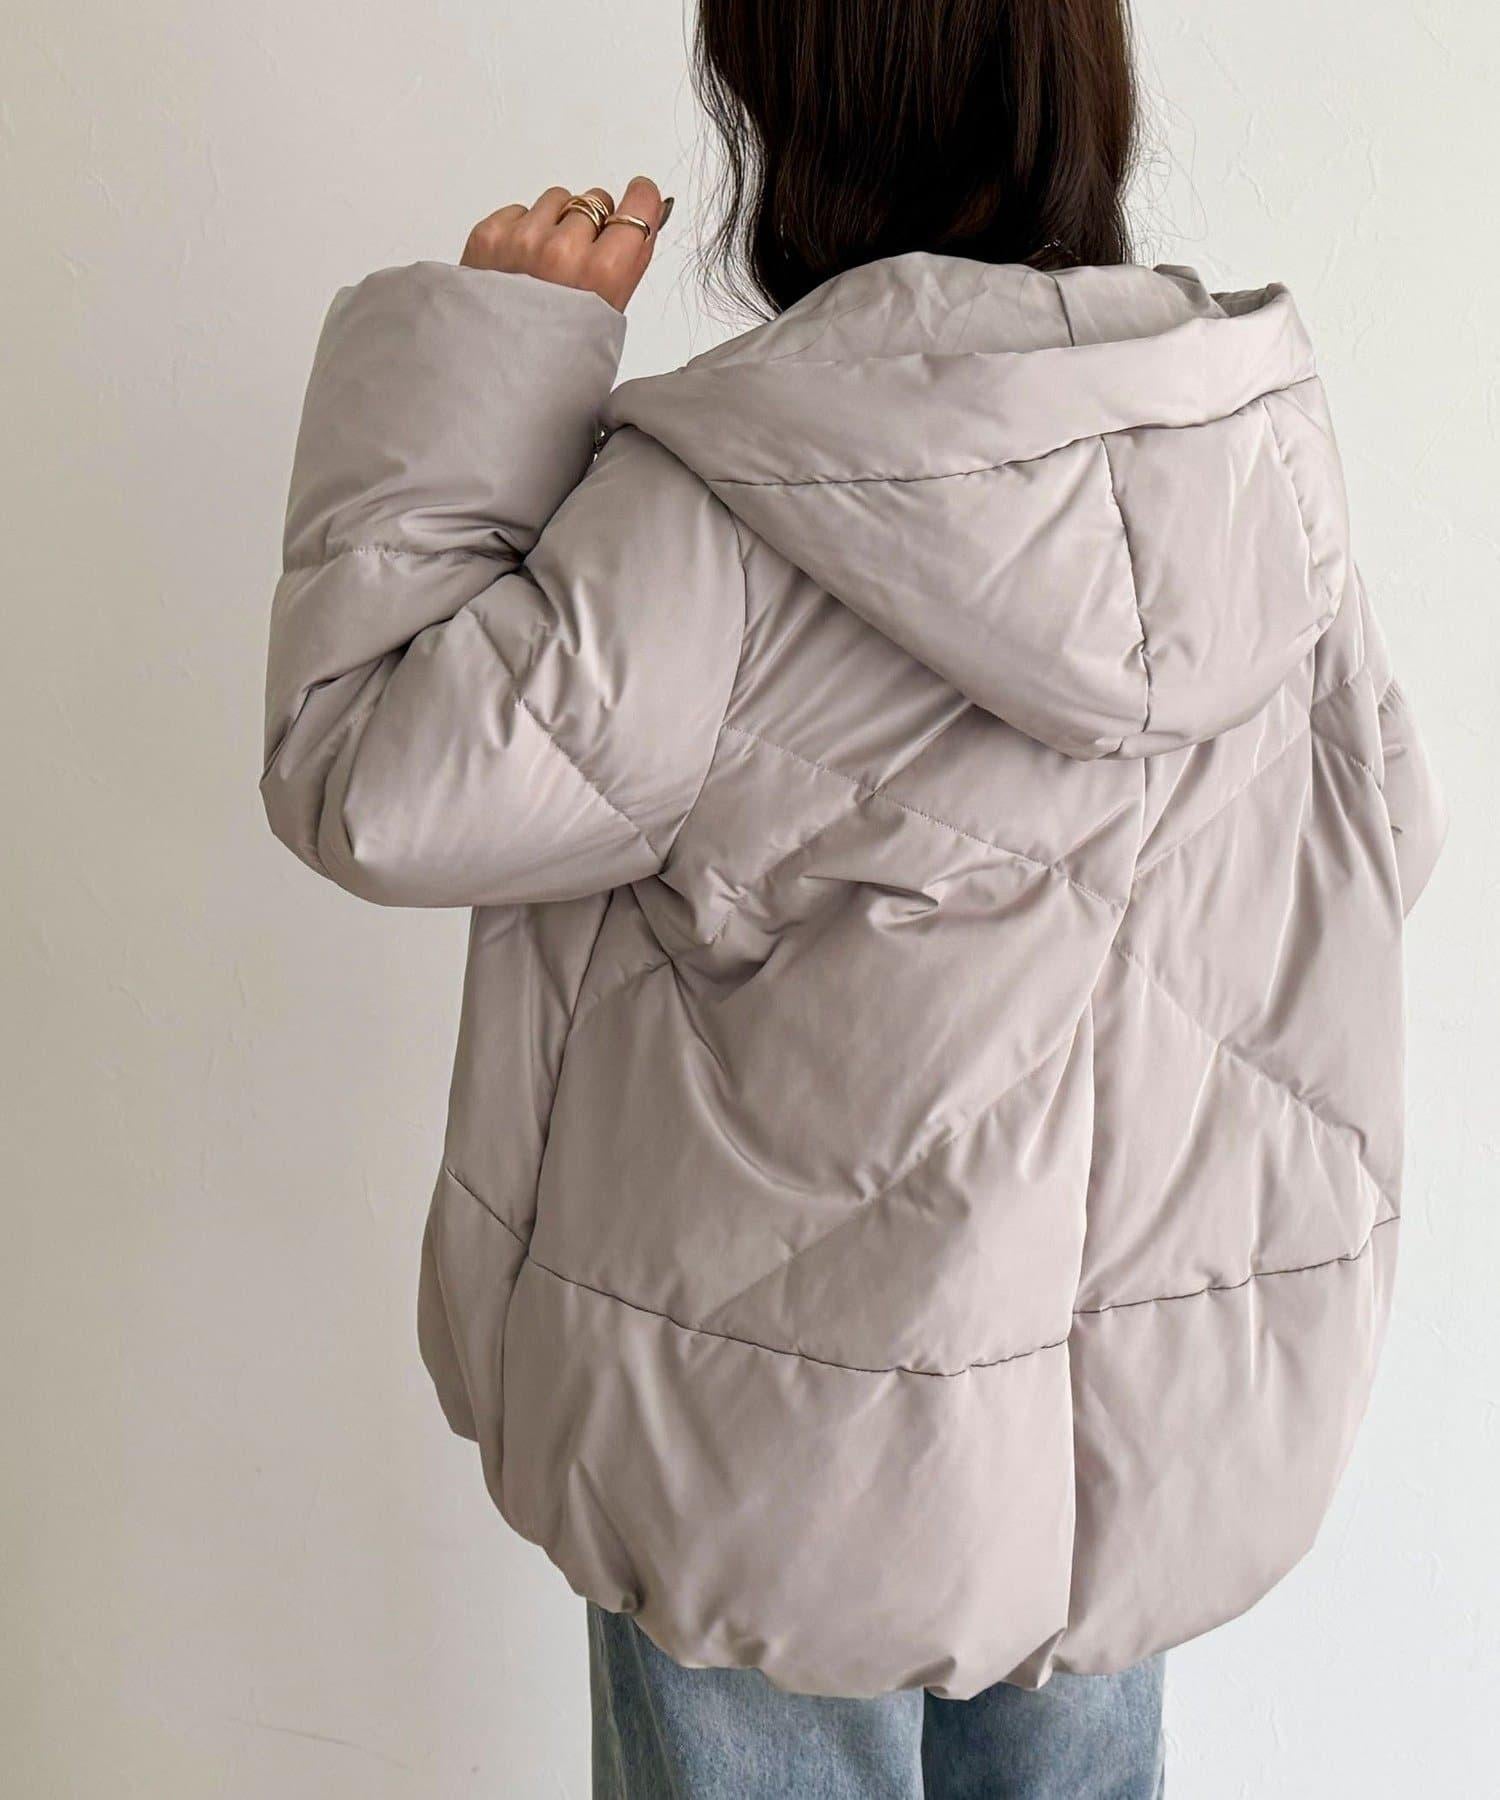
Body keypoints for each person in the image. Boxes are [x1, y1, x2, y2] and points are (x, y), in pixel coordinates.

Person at [260, 0, 1446, 1792]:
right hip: (1128, 1439)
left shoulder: (722, 509)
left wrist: (496, 354)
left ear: (785, 104)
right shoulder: (1247, 451)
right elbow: (1381, 831)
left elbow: (374, 778)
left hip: (770, 1450)